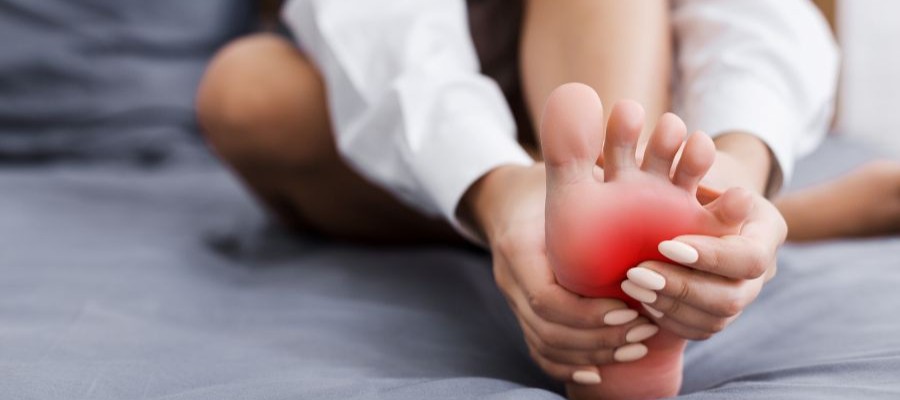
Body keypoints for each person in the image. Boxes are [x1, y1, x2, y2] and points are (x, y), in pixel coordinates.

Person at [194, 0, 896, 398]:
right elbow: (376, 27)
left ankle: (609, 237)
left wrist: (739, 165)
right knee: (244, 92)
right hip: (426, 109)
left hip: (624, 90)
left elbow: (756, 15)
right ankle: (590, 236)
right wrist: (500, 190)